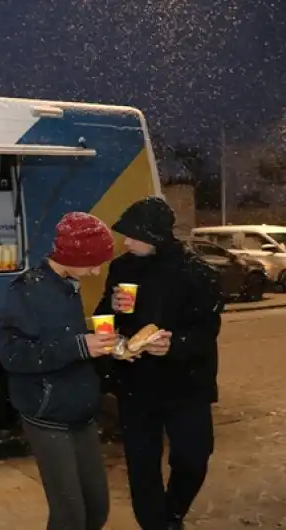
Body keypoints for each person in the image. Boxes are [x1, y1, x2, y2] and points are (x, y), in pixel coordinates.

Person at [94, 197, 222, 530]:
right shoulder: (122, 268)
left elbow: (207, 332)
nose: (126, 242)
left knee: (193, 457)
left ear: (154, 235)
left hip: (185, 384)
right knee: (141, 466)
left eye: (133, 235)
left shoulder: (196, 271)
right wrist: (112, 311)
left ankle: (173, 512)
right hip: (136, 384)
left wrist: (175, 345)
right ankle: (155, 524)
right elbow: (100, 319)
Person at [0, 212, 117, 530]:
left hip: (80, 410)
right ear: (72, 256)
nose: (96, 271)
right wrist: (79, 346)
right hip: (47, 414)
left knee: (97, 511)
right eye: (93, 262)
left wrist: (110, 348)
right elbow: (13, 355)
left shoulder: (69, 285)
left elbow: (62, 336)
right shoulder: (26, 290)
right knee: (70, 517)